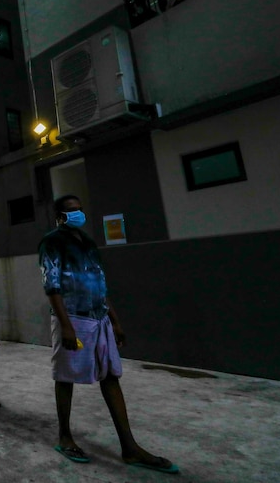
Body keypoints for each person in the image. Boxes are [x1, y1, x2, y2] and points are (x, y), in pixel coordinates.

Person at [39, 195, 178, 473]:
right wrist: (65, 325)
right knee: (66, 378)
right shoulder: (51, 241)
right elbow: (51, 286)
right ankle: (64, 436)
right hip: (73, 319)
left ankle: (130, 448)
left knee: (111, 376)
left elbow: (100, 284)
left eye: (79, 209)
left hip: (98, 318)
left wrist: (114, 320)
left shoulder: (88, 242)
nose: (77, 214)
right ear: (59, 215)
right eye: (70, 211)